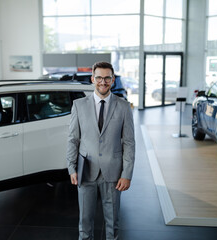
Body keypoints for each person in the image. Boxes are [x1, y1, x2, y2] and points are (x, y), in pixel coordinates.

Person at [67, 61, 135, 240]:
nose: (102, 82)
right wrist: (71, 168)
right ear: (92, 79)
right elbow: (73, 139)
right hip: (85, 171)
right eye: (99, 78)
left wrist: (127, 174)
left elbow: (129, 142)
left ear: (112, 80)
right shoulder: (79, 105)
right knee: (85, 222)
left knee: (113, 223)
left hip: (113, 173)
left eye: (107, 78)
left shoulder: (123, 107)